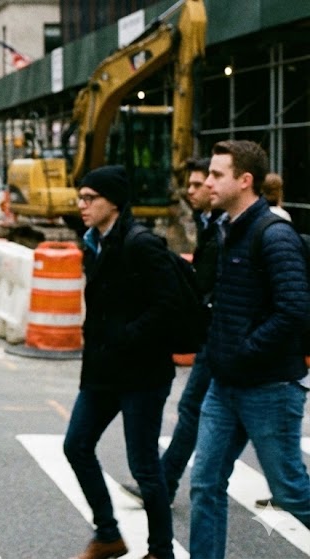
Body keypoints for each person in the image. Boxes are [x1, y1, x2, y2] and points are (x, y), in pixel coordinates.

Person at [189, 140, 310, 558]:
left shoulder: (273, 234)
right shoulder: (226, 230)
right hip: (226, 386)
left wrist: (244, 350)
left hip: (270, 387)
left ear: (245, 181)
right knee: (205, 484)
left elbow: (295, 309)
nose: (207, 181)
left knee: (291, 491)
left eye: (217, 174)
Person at [63, 165, 179, 559]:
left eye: (90, 198)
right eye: (80, 198)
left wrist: (127, 336)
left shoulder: (141, 243)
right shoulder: (93, 241)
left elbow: (169, 304)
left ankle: (160, 550)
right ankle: (108, 533)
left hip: (142, 373)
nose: (82, 205)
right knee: (76, 445)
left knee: (145, 466)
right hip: (102, 371)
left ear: (113, 201)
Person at [121, 157, 222, 505]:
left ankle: (165, 483)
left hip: (225, 339)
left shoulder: (226, 228)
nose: (192, 191)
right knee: (203, 413)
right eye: (191, 184)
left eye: (200, 184)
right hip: (218, 338)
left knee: (196, 409)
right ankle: (167, 483)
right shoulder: (207, 222)